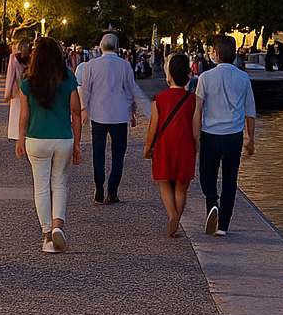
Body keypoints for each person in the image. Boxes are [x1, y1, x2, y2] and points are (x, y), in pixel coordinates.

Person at [16, 36, 82, 253]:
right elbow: (75, 112)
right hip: (63, 137)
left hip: (36, 138)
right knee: (59, 184)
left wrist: (20, 138)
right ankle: (57, 227)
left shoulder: (27, 81)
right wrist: (77, 143)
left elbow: (24, 113)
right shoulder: (68, 78)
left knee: (41, 187)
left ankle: (46, 235)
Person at [192, 34, 256, 237]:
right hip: (233, 136)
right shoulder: (243, 78)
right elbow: (250, 112)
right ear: (235, 55)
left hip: (210, 134)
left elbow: (198, 110)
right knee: (230, 179)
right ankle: (224, 225)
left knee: (207, 175)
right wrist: (251, 139)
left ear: (216, 55)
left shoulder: (205, 78)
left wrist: (196, 136)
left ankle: (212, 203)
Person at [78, 32, 149, 204]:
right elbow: (130, 91)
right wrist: (132, 112)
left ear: (101, 47)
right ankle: (113, 190)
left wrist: (84, 109)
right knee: (118, 154)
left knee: (98, 153)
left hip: (98, 115)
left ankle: (99, 186)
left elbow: (85, 89)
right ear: (117, 47)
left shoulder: (91, 65)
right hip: (119, 115)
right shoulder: (124, 66)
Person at [143, 53, 198, 237]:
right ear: (188, 74)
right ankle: (177, 218)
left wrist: (148, 146)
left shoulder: (159, 99)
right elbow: (196, 128)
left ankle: (172, 214)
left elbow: (154, 127)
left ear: (169, 75)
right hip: (185, 144)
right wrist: (197, 145)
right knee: (182, 185)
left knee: (164, 182)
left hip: (164, 145)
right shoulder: (193, 99)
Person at [4, 38, 31, 141]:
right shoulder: (30, 58)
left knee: (17, 111)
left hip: (17, 88)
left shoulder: (13, 58)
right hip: (29, 88)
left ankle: (16, 133)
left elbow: (10, 75)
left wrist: (8, 91)